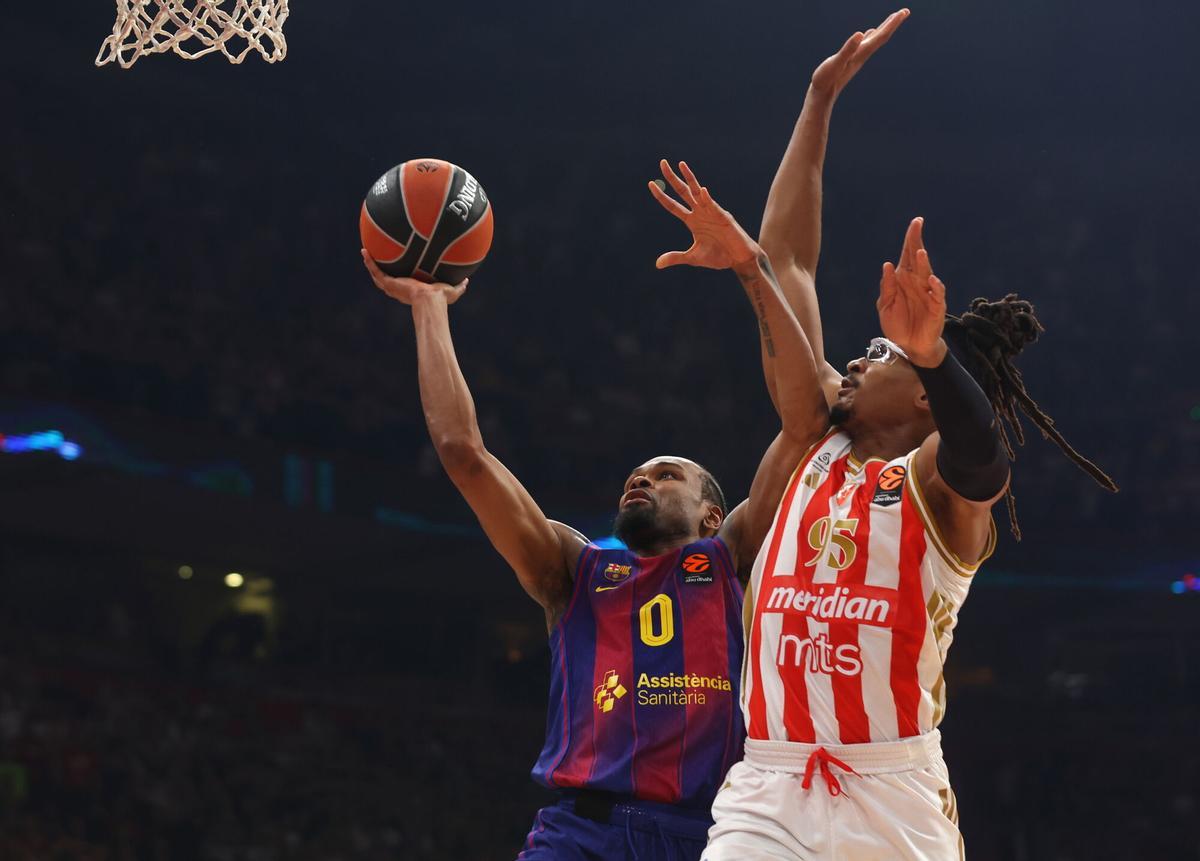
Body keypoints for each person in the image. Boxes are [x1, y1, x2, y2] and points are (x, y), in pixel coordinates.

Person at [702, 13, 1117, 860]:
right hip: (769, 786)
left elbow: (983, 463)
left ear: (928, 395)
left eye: (879, 353)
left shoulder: (937, 484)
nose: (854, 359)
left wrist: (929, 353)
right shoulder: (814, 431)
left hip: (891, 793)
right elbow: (790, 269)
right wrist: (817, 101)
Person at [361, 160, 827, 860]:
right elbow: (463, 452)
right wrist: (429, 309)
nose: (639, 482)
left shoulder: (733, 558)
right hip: (582, 833)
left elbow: (803, 426)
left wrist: (750, 266)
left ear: (710, 514)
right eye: (635, 477)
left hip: (713, 836)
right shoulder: (573, 568)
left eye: (666, 476)